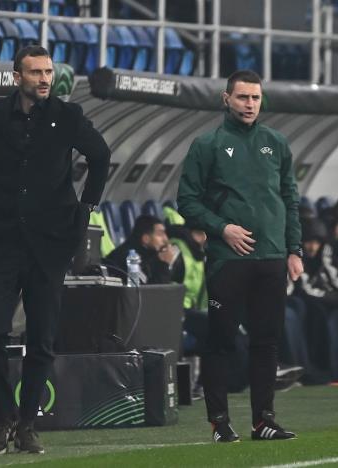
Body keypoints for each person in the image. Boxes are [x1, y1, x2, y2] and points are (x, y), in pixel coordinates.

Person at [0, 45, 110, 455]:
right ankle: (2, 419)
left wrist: (86, 208)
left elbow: (100, 156)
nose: (44, 79)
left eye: (48, 72)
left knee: (41, 338)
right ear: (16, 77)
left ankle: (26, 424)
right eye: (36, 72)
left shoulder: (68, 115)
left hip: (50, 243)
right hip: (1, 240)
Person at [177, 69, 302, 442]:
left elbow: (290, 199)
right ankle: (219, 422)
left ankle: (263, 421)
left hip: (272, 257)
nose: (249, 104)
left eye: (255, 98)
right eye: (243, 97)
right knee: (221, 341)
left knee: (267, 342)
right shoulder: (207, 145)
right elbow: (187, 201)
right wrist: (222, 228)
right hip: (228, 260)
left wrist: (294, 250)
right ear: (226, 98)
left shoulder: (276, 143)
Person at [103, 214, 182, 285]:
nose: (166, 239)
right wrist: (164, 265)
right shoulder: (129, 257)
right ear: (146, 239)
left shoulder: (152, 256)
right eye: (160, 234)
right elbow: (147, 292)